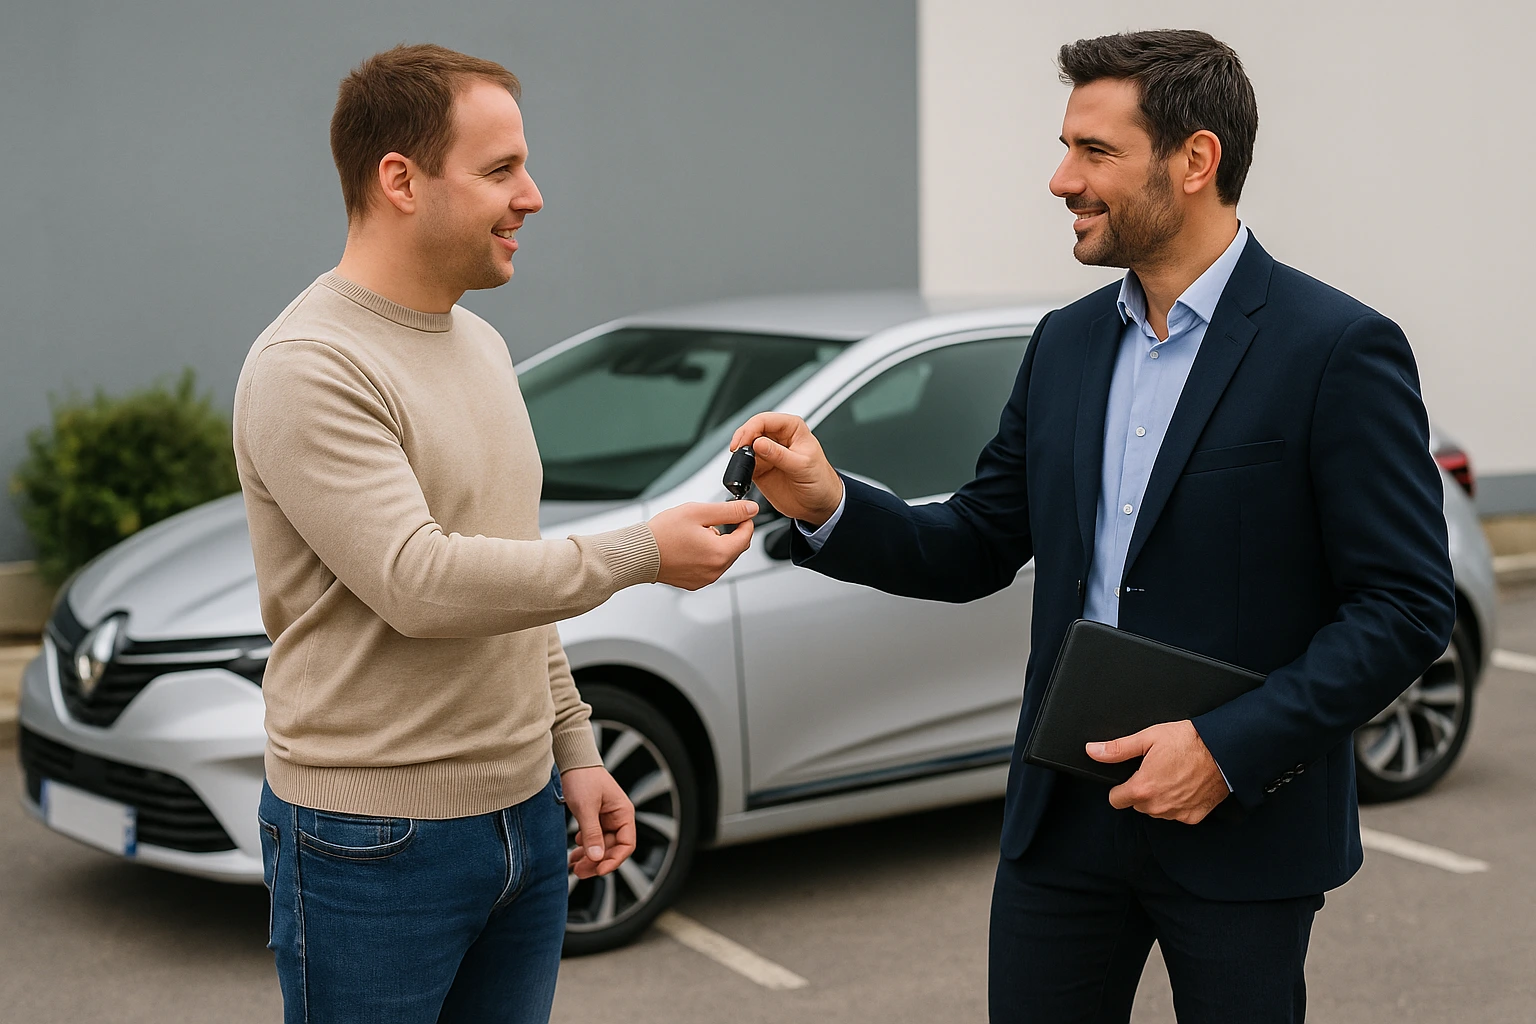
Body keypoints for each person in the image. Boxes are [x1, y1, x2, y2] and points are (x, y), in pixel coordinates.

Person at [731, 29, 1454, 1024]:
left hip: (1242, 820)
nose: (1061, 178)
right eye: (1066, 146)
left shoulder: (1336, 348)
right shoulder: (1066, 343)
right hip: (1063, 823)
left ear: (1195, 161)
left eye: (1095, 152)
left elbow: (1406, 606)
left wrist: (1226, 748)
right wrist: (829, 503)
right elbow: (977, 542)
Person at [232, 44, 757, 1024]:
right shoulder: (310, 363)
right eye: (501, 169)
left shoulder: (480, 343)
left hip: (524, 817)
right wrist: (643, 553)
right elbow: (419, 581)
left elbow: (509, 567)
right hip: (372, 840)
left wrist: (575, 748)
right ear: (400, 178)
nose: (534, 196)